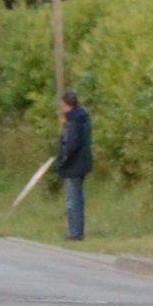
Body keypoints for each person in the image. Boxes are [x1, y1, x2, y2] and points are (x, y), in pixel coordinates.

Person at [55, 90, 93, 241]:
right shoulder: (82, 118)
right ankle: (76, 231)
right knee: (76, 198)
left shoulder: (75, 121)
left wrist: (63, 160)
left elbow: (72, 144)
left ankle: (75, 233)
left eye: (62, 105)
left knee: (73, 200)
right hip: (81, 164)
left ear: (68, 105)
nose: (61, 108)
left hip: (74, 166)